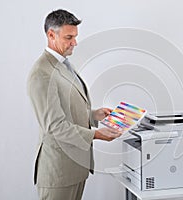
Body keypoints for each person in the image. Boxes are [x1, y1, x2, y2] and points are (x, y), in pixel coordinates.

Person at [27, 9, 122, 200]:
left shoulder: (63, 64)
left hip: (75, 168)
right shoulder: (42, 74)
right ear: (51, 35)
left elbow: (66, 110)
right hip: (59, 172)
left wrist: (94, 115)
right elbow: (55, 126)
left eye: (75, 36)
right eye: (69, 37)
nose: (75, 43)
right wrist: (96, 134)